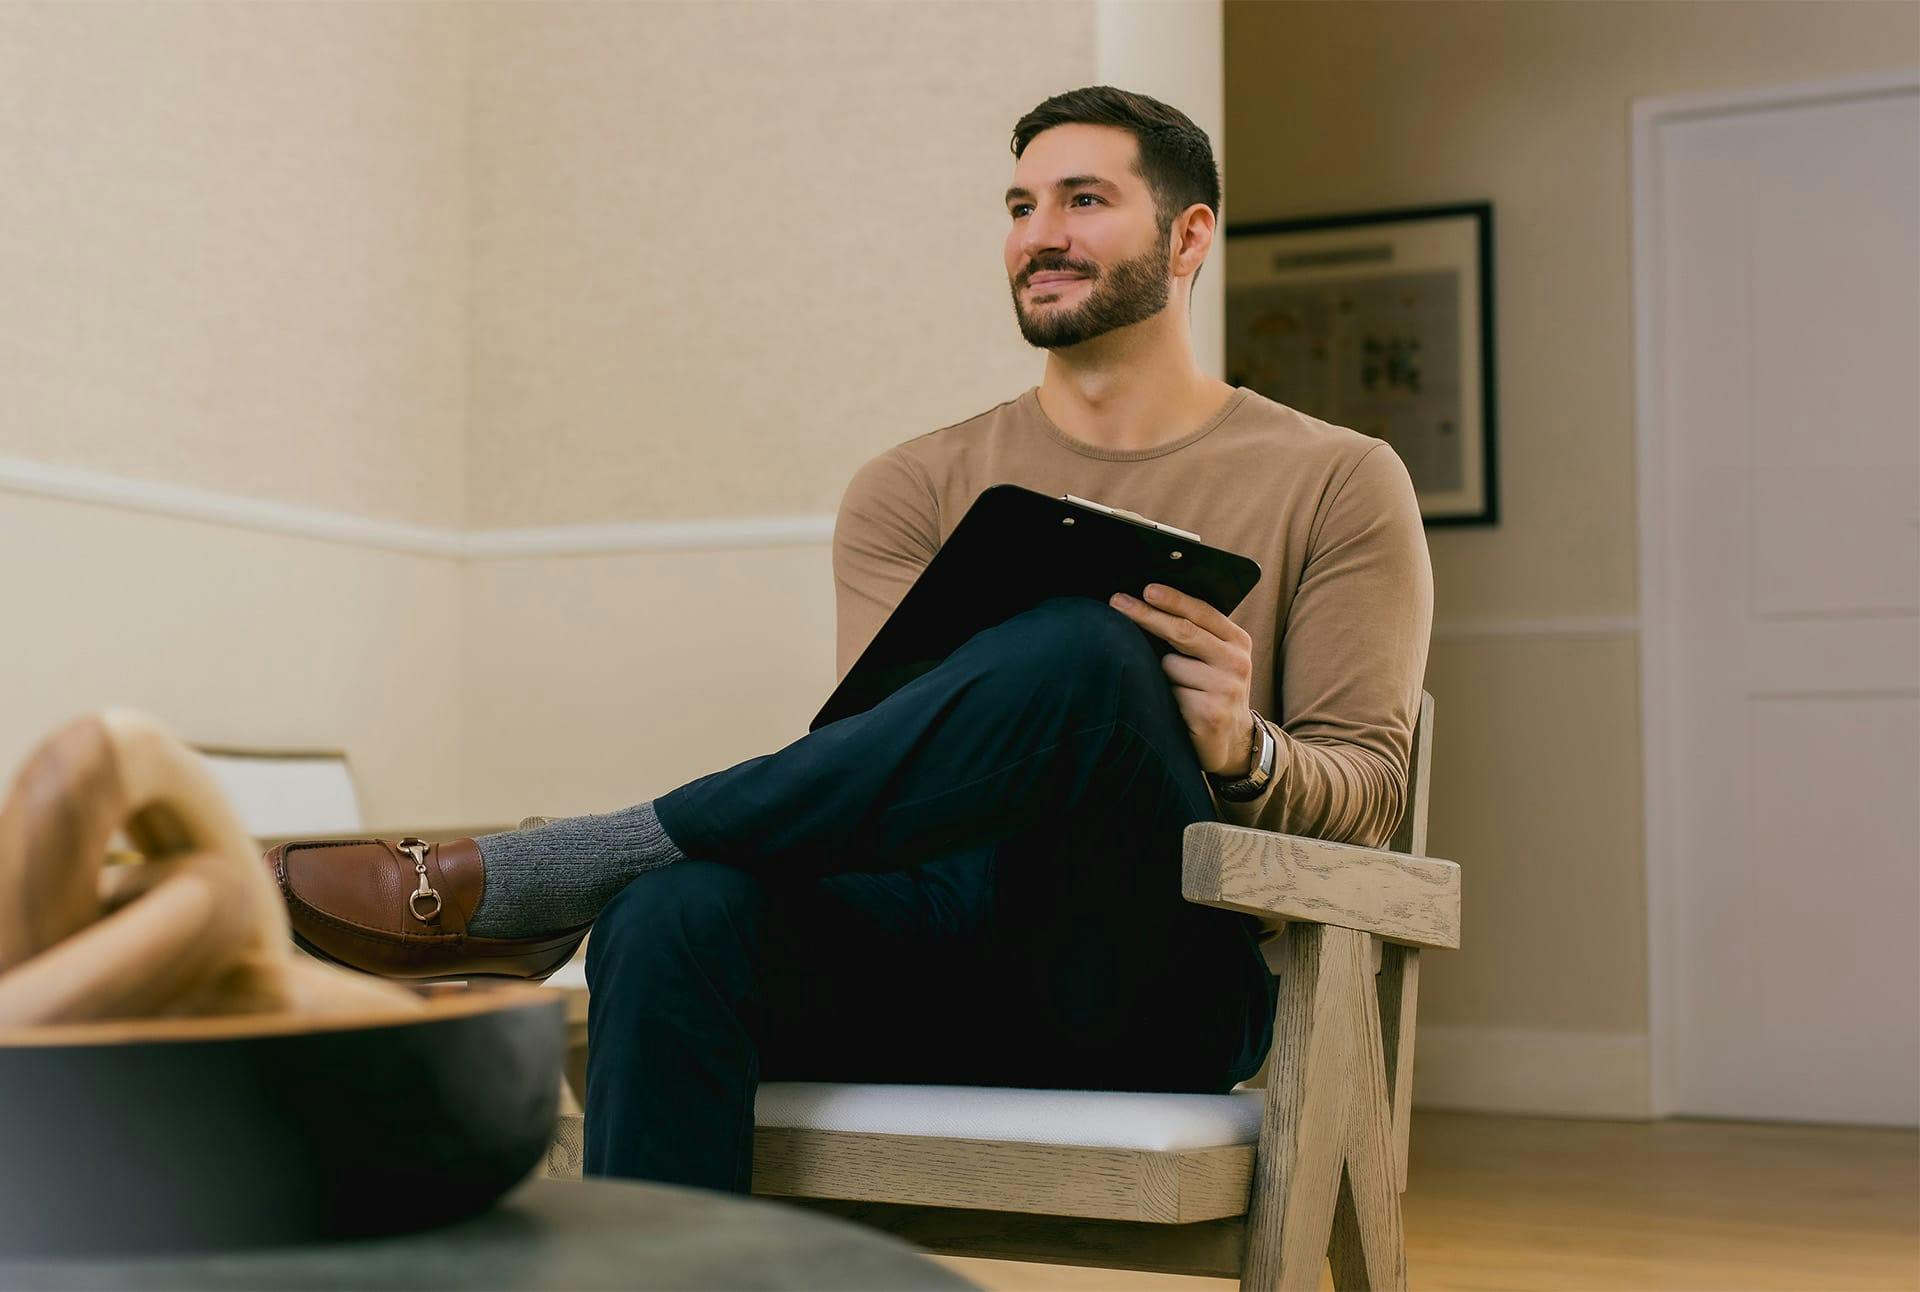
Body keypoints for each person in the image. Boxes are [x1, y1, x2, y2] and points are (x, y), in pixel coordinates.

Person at [263, 85, 1433, 1193]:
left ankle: (551, 868)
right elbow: (876, 771)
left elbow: (1371, 789)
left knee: (1088, 648)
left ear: (1187, 241)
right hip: (927, 951)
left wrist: (1243, 748)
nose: (1040, 233)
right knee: (672, 916)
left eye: (1084, 199)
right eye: (1020, 207)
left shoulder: (1336, 481)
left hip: (1143, 983)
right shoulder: (913, 486)